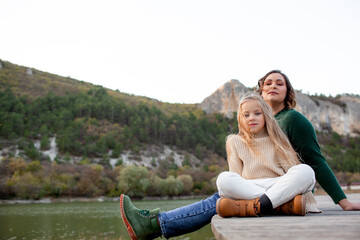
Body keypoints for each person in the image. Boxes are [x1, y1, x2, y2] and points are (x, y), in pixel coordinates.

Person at [120, 70, 360, 240]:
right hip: (251, 191)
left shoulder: (292, 120)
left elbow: (314, 161)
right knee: (224, 182)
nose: (273, 86)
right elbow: (236, 177)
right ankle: (154, 223)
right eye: (267, 83)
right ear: (258, 94)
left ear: (288, 92)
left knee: (302, 172)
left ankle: (154, 223)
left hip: (281, 185)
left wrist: (343, 200)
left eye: (280, 83)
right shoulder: (242, 136)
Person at [215, 92, 319, 218]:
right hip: (251, 187)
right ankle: (281, 205)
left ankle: (259, 205)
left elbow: (292, 172)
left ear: (266, 115)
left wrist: (285, 190)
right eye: (246, 115)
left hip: (278, 185)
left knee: (306, 171)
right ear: (240, 119)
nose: (251, 118)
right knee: (224, 179)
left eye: (257, 113)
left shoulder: (277, 139)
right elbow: (235, 177)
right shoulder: (234, 141)